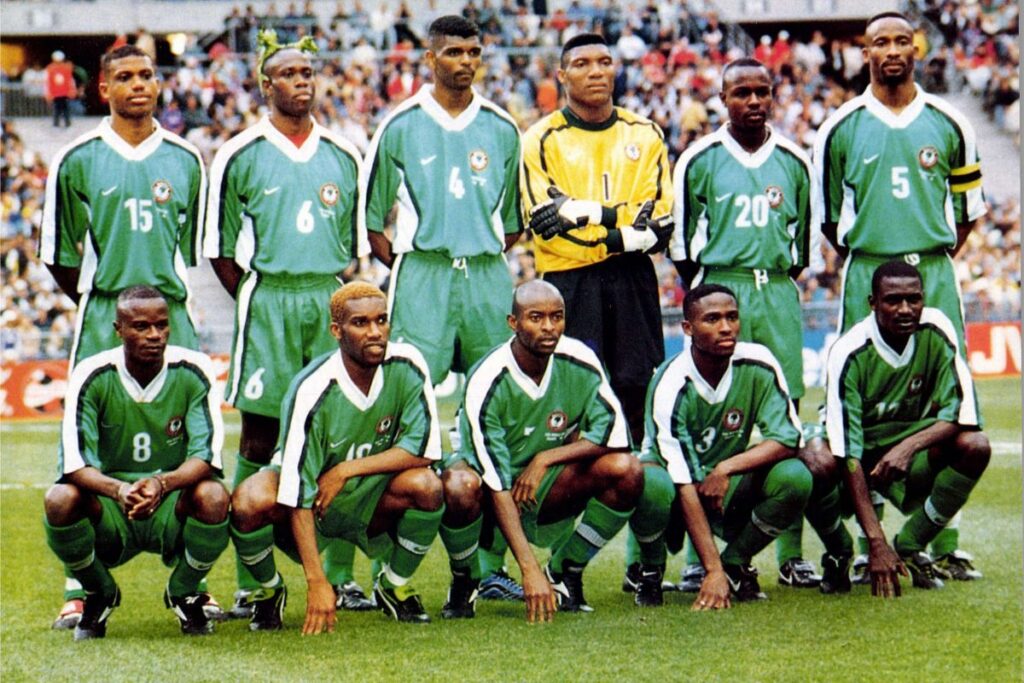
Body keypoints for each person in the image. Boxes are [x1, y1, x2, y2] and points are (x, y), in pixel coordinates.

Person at [204, 31, 372, 618]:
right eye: (291, 74)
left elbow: (352, 250)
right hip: (269, 298)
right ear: (265, 84)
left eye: (309, 72)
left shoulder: (344, 153)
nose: (303, 82)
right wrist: (259, 297)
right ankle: (255, 580)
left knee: (338, 431)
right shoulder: (240, 153)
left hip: (327, 294)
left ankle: (342, 575)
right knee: (258, 434)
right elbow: (220, 250)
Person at [40, 44, 209, 629]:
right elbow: (60, 259)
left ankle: (194, 583)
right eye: (126, 78)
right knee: (85, 450)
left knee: (190, 444)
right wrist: (107, 308)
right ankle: (80, 587)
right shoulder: (76, 159)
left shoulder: (187, 159)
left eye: (148, 75)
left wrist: (158, 313)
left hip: (175, 318)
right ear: (103, 89)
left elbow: (190, 255)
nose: (139, 85)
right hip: (102, 321)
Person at [813, 12, 986, 578]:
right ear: (864, 53)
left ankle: (940, 540)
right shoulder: (840, 127)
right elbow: (830, 222)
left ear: (918, 47)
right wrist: (883, 260)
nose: (891, 50)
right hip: (867, 275)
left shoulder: (951, 121)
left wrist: (922, 259)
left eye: (900, 40)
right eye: (878, 42)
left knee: (950, 406)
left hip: (933, 274)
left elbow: (966, 215)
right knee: (860, 401)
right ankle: (873, 543)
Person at [360, 15, 524, 601]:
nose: (465, 60)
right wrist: (412, 266)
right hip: (422, 275)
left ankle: (488, 566)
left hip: (485, 276)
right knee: (399, 415)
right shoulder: (399, 126)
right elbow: (373, 223)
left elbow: (511, 226)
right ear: (429, 58)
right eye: (453, 51)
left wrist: (473, 255)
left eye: (474, 51)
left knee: (495, 415)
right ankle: (376, 559)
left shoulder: (504, 128)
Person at [669, 57, 821, 590]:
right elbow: (684, 250)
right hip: (721, 285)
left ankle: (792, 553)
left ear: (774, 95)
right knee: (707, 416)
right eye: (741, 93)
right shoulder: (698, 160)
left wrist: (766, 280)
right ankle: (698, 554)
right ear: (723, 99)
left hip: (776, 290)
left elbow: (801, 251)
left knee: (788, 418)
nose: (753, 102)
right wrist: (719, 289)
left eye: (762, 92)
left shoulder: (797, 162)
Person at [229, 283, 444, 631]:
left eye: (382, 320)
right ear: (336, 331)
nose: (375, 332)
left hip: (370, 497)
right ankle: (269, 592)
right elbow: (296, 493)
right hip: (314, 505)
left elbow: (425, 451)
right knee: (249, 499)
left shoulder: (408, 363)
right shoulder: (312, 388)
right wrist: (317, 582)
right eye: (360, 323)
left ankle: (393, 585)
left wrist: (345, 469)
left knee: (427, 485)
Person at [626, 284, 852, 607]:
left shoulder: (758, 361)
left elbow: (787, 438)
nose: (725, 327)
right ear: (688, 328)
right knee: (651, 483)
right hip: (676, 493)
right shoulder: (671, 383)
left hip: (725, 484)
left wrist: (726, 467)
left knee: (795, 475)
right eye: (712, 319)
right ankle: (649, 572)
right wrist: (710, 569)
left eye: (732, 317)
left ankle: (735, 563)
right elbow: (684, 483)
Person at [438, 281, 642, 621]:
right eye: (536, 317)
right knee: (459, 486)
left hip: (544, 482)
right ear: (513, 323)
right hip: (489, 490)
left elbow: (612, 435)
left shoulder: (580, 359)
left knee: (626, 469)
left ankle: (565, 571)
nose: (548, 327)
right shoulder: (488, 378)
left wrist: (545, 458)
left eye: (556, 317)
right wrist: (528, 569)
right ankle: (466, 578)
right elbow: (497, 481)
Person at [43, 286, 229, 639]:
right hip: (113, 508)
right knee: (59, 499)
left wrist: (161, 484)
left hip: (171, 502)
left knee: (215, 496)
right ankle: (99, 593)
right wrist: (121, 489)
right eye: (141, 327)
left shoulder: (193, 369)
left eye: (161, 325)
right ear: (118, 329)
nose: (154, 335)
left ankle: (184, 591)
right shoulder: (92, 374)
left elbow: (205, 457)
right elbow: (75, 465)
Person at [521, 32, 673, 445]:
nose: (596, 72)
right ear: (562, 75)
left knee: (638, 384)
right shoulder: (540, 140)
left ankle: (640, 483)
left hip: (632, 279)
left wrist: (585, 213)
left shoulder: (645, 134)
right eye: (582, 64)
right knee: (574, 390)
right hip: (569, 281)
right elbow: (547, 225)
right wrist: (624, 228)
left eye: (604, 62)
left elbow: (659, 224)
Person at [819, 261, 989, 595]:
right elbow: (848, 454)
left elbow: (962, 414)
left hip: (910, 454)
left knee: (976, 445)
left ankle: (910, 547)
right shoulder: (848, 351)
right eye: (893, 300)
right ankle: (841, 553)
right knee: (815, 460)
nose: (905, 309)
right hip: (859, 460)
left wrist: (907, 447)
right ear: (872, 303)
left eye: (914, 299)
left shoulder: (937, 327)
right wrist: (876, 542)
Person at [45, 50, 75, 128]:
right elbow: (47, 81)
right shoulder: (50, 68)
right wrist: (48, 93)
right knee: (57, 109)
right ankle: (56, 123)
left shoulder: (66, 68)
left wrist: (71, 90)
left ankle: (67, 122)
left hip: (64, 92)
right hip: (55, 93)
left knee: (65, 109)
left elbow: (70, 80)